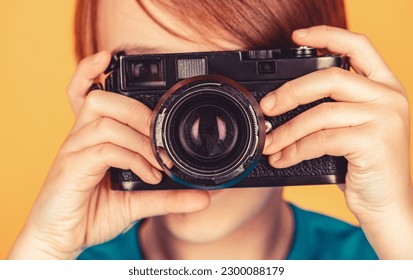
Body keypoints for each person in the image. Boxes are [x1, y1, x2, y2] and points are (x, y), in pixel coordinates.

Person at [7, 0, 413, 260]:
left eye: (233, 78)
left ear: (322, 88)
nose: (200, 126)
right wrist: (42, 253)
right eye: (151, 76)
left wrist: (397, 228)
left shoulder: (383, 255)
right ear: (95, 94)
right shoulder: (61, 263)